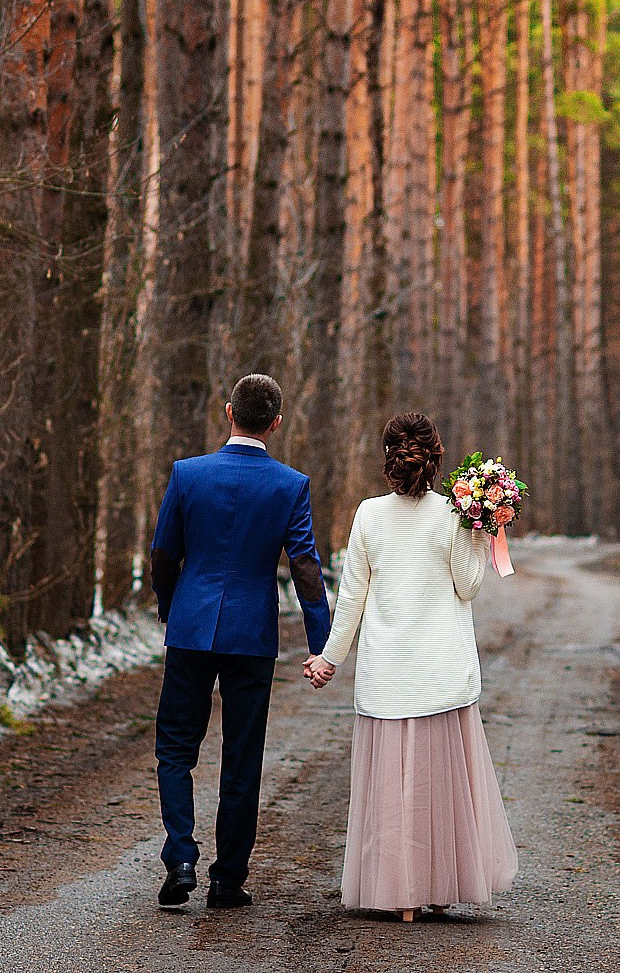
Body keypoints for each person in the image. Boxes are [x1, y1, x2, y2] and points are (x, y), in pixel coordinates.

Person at [303, 413, 517, 922]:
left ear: (388, 460)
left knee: (394, 792)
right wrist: (480, 530)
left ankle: (400, 893)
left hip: (388, 675)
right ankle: (438, 887)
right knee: (439, 789)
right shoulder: (453, 515)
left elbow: (351, 598)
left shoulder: (368, 515)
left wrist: (329, 658)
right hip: (440, 673)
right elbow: (468, 586)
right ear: (436, 458)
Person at [150, 374, 333, 911]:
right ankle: (227, 880)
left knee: (175, 748)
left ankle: (180, 857)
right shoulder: (289, 485)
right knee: (242, 756)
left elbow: (163, 553)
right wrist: (321, 642)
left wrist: (171, 606)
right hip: (252, 634)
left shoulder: (188, 474)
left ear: (228, 412)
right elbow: (305, 567)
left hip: (191, 627)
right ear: (275, 423)